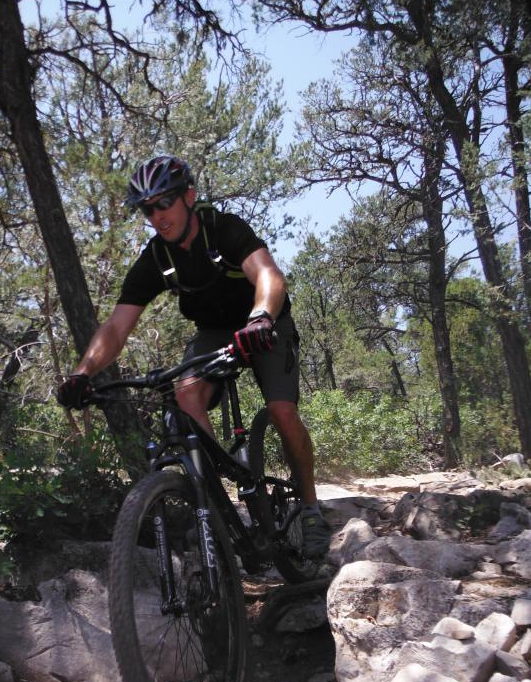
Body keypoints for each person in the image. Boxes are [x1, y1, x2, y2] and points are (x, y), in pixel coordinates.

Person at [57, 155, 330, 558]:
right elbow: (116, 327)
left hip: (265, 321)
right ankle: (218, 510)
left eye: (164, 203)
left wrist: (260, 318)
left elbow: (269, 276)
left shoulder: (225, 230)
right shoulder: (156, 259)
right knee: (186, 396)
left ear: (189, 196)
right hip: (214, 333)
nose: (157, 216)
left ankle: (309, 509)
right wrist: (83, 373)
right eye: (147, 209)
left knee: (282, 411)